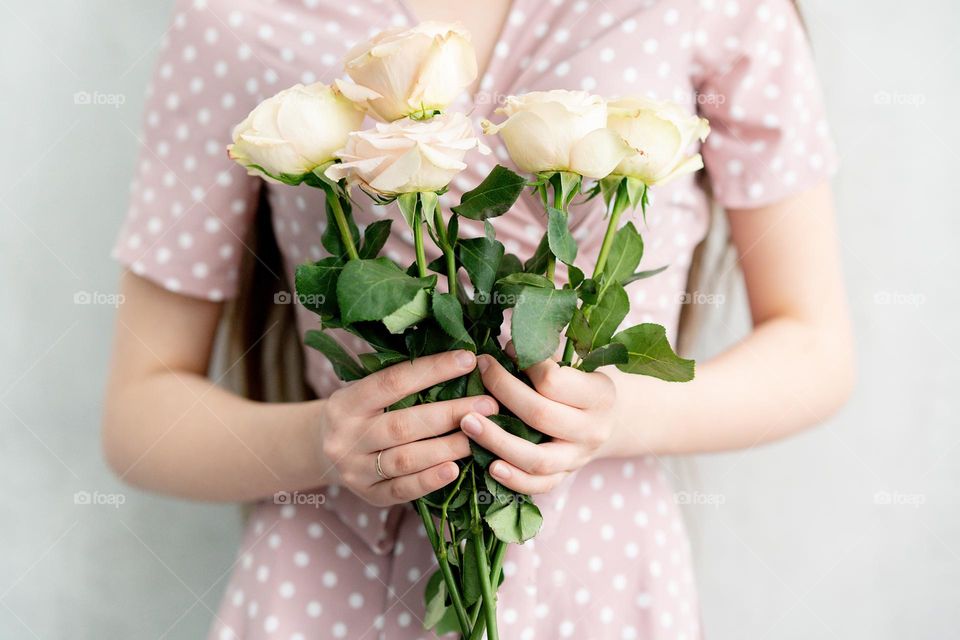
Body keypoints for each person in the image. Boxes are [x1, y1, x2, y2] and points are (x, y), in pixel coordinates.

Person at [103, 0, 854, 638]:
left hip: (599, 586)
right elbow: (139, 417)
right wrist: (323, 442)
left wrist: (619, 417)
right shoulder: (239, 17)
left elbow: (814, 347)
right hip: (325, 586)